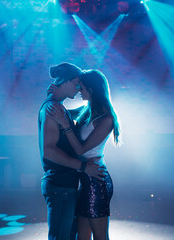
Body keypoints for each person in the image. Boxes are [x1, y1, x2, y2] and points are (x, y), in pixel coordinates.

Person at [47, 69, 120, 240]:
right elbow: (61, 112)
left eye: (82, 88)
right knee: (82, 236)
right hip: (84, 178)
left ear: (92, 89)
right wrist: (56, 94)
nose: (79, 91)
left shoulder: (107, 119)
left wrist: (65, 124)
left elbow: (81, 150)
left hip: (97, 181)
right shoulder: (87, 110)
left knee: (100, 237)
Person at [38, 63, 105, 240]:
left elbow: (83, 112)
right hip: (60, 185)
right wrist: (83, 166)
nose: (78, 89)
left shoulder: (59, 107)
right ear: (66, 81)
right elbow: (49, 152)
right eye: (76, 84)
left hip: (64, 185)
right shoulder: (53, 108)